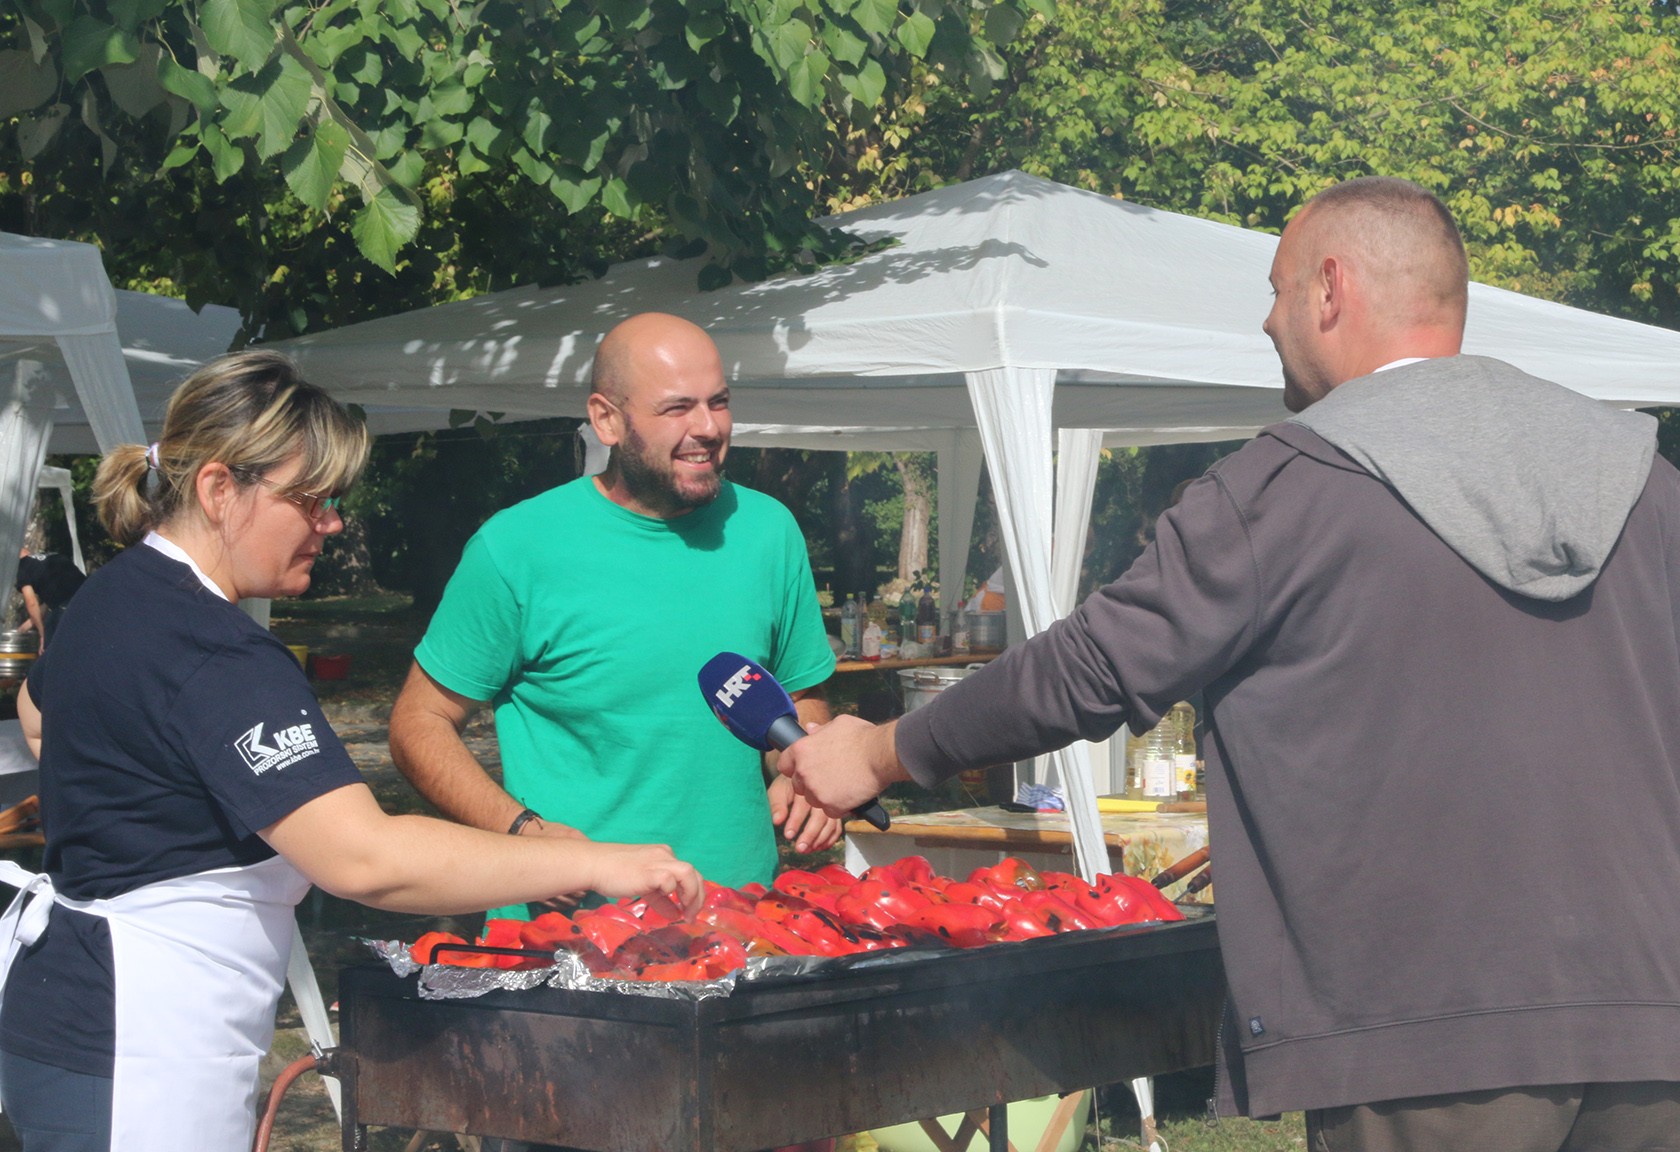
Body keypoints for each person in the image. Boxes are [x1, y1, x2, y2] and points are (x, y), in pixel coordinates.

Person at [780, 177, 1680, 1150]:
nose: (1266, 320)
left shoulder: (1283, 491)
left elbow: (1088, 668)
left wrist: (880, 752)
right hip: (1654, 1026)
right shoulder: (1647, 482)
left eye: (1277, 289)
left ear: (1330, 289)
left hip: (1424, 1040)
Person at [0, 351, 702, 1152]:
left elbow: (38, 712)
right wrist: (595, 862)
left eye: (334, 501)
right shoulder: (216, 652)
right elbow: (367, 861)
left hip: (66, 1013)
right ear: (219, 489)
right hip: (142, 1042)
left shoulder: (116, 593)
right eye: (311, 499)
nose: (331, 523)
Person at [389, 312, 839, 918]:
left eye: (719, 402)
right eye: (677, 408)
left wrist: (799, 768)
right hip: (567, 935)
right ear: (606, 420)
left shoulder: (768, 531)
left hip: (741, 921)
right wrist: (520, 831)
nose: (708, 428)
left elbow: (799, 694)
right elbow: (419, 722)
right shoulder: (517, 547)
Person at [14, 548, 86, 652]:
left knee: (48, 648)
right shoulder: (52, 556)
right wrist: (22, 630)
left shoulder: (23, 568)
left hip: (67, 607)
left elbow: (32, 603)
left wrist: (42, 634)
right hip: (87, 596)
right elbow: (47, 604)